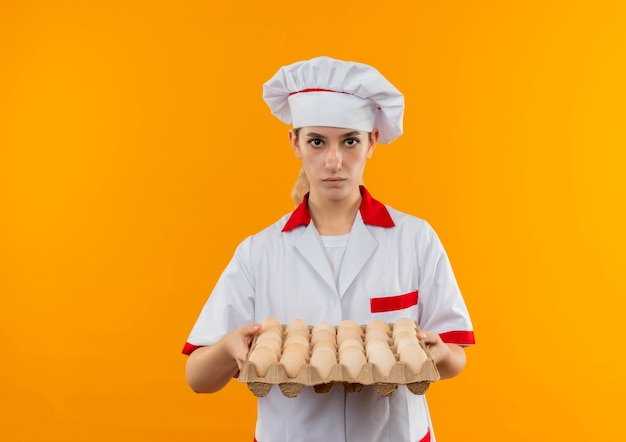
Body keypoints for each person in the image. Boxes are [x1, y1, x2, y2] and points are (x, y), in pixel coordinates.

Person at [182, 56, 475, 442]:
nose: (334, 161)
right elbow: (197, 378)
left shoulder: (414, 239)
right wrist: (226, 348)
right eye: (317, 141)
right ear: (295, 143)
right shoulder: (260, 252)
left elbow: (456, 357)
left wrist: (438, 355)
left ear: (372, 142)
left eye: (350, 141)